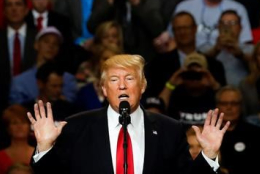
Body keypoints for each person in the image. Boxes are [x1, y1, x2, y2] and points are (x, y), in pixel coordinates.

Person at [28, 53, 230, 173]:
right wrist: (45, 147)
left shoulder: (169, 129)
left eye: (130, 79)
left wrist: (209, 155)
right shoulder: (76, 128)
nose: (122, 86)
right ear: (104, 89)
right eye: (114, 80)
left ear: (143, 86)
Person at [88, 0, 165, 60]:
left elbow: (157, 29)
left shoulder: (149, 1)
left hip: (143, 58)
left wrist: (136, 3)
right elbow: (91, 26)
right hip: (112, 57)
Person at [170, 0, 252, 54]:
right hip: (191, 59)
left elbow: (245, 43)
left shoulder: (238, 9)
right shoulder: (184, 7)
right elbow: (172, 39)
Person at [144, 12, 226, 99]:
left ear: (195, 28)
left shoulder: (215, 65)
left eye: (186, 27)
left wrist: (213, 85)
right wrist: (171, 85)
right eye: (178, 28)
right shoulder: (158, 65)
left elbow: (226, 101)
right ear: (173, 32)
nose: (182, 32)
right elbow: (152, 102)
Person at [9, 28, 77, 105]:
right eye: (46, 41)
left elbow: (70, 107)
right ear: (36, 45)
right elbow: (15, 110)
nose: (51, 46)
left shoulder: (68, 79)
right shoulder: (19, 82)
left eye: (55, 43)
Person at [0, 0, 37, 100]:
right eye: (9, 5)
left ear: (26, 10)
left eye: (18, 4)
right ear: (4, 11)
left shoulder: (37, 38)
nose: (14, 9)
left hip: (33, 98)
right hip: (1, 99)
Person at [215, 86, 260, 174]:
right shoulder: (208, 134)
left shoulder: (257, 134)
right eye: (224, 103)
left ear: (241, 106)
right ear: (217, 106)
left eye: (234, 103)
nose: (229, 107)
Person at [161, 52, 222, 126]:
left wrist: (214, 85)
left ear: (206, 74)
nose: (194, 80)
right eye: (190, 74)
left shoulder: (215, 94)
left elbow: (228, 105)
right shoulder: (176, 94)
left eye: (198, 75)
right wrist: (171, 84)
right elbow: (158, 109)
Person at [202, 10, 251, 87]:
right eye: (224, 23)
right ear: (218, 27)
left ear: (240, 28)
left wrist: (241, 55)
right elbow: (199, 61)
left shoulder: (250, 49)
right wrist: (215, 50)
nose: (228, 26)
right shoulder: (207, 48)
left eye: (233, 23)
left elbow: (258, 64)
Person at [0, 105, 35, 174]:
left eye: (23, 122)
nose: (19, 126)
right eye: (14, 123)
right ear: (8, 128)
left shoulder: (39, 155)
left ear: (29, 126)